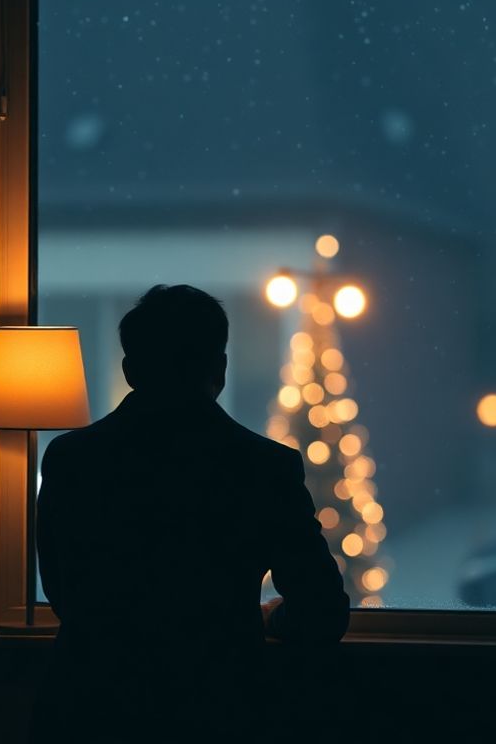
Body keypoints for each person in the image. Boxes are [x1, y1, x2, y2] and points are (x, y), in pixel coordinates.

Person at [33, 285, 349, 742]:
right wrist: (269, 619)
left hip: (87, 708)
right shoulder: (264, 467)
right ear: (219, 367)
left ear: (130, 370)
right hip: (217, 707)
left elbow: (63, 594)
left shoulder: (71, 459)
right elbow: (323, 613)